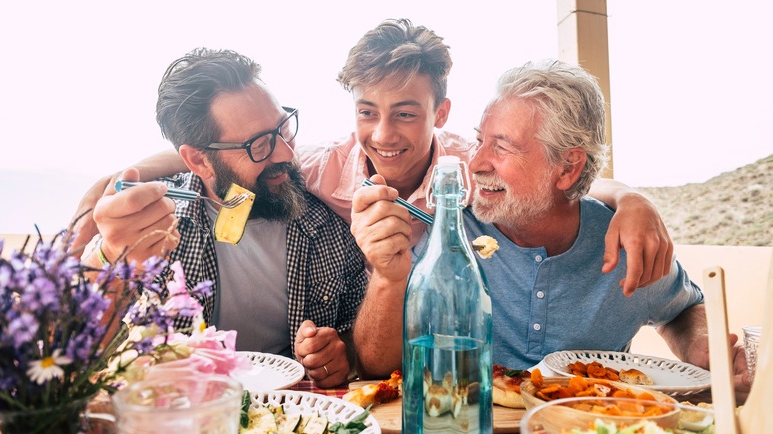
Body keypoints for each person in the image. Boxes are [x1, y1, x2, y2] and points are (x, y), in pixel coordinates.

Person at [70, 19, 670, 297]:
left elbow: (559, 177)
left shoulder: (471, 163)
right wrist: (122, 176)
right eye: (366, 111)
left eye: (406, 113)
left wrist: (631, 198)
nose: (381, 135)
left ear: (441, 113)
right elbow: (233, 158)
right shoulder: (317, 164)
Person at [350, 59, 751, 399]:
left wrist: (702, 346)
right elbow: (379, 364)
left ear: (568, 167)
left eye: (502, 147)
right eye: (479, 141)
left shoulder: (623, 243)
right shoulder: (452, 234)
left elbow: (681, 308)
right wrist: (388, 276)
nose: (477, 163)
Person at [85, 48, 367, 388]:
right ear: (199, 161)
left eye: (283, 128)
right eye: (259, 145)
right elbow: (84, 353)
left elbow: (356, 333)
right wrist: (111, 260)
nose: (286, 153)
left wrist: (343, 354)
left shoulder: (326, 223)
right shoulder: (151, 227)